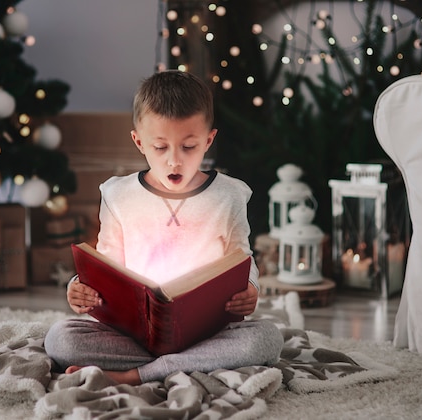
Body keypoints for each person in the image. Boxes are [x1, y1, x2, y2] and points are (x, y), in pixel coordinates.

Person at [44, 70, 283, 385]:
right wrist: (80, 287)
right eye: (160, 147)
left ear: (208, 140)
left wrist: (251, 288)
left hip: (205, 333)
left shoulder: (230, 195)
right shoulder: (117, 194)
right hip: (134, 335)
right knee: (61, 339)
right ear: (139, 142)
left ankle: (134, 375)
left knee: (266, 339)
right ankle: (182, 365)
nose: (175, 161)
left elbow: (242, 257)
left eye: (189, 147)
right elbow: (106, 263)